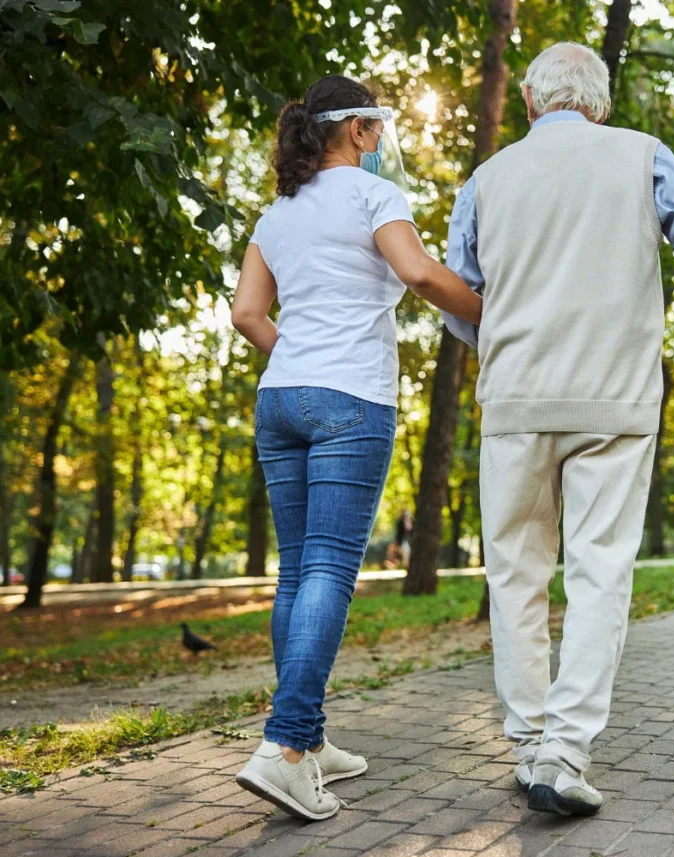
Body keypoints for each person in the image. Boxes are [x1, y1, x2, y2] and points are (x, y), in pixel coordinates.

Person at [443, 42, 674, 817]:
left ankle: (527, 741)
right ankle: (565, 750)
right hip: (614, 404)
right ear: (601, 104)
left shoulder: (486, 179)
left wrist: (506, 345)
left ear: (528, 103)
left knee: (514, 574)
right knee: (598, 573)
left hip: (516, 401)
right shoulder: (642, 155)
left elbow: (458, 290)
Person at [230, 74, 481, 821]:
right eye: (379, 128)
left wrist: (297, 356)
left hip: (281, 397)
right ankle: (285, 749)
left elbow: (248, 313)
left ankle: (308, 733)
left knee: (295, 572)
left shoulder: (277, 211)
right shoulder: (375, 197)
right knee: (332, 570)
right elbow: (419, 273)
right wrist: (496, 318)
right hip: (351, 401)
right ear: (361, 131)